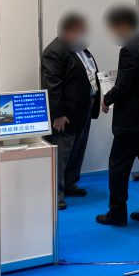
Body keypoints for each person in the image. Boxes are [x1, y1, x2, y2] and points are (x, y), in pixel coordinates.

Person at [96, 5, 139, 227]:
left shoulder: (130, 48)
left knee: (118, 167)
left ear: (125, 26)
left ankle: (117, 213)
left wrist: (107, 99)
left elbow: (124, 85)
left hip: (131, 122)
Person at [41, 12, 101, 210]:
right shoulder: (55, 51)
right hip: (66, 113)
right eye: (81, 30)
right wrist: (57, 114)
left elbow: (89, 74)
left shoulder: (81, 49)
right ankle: (56, 193)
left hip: (83, 107)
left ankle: (70, 184)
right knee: (62, 153)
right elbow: (52, 86)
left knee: (77, 150)